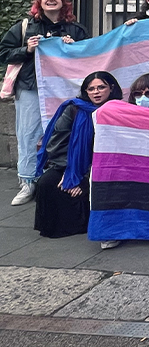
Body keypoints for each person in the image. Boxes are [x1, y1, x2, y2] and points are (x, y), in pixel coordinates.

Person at [0, 0, 89, 206]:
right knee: (28, 134)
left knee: (66, 134)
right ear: (39, 2)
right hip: (32, 87)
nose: (51, 0)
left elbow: (89, 57)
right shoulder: (24, 27)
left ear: (63, 1)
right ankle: (28, 181)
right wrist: (26, 50)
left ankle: (65, 178)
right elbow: (3, 53)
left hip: (65, 90)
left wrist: (75, 47)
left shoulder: (76, 29)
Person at [33, 71, 122, 240]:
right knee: (46, 183)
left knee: (89, 186)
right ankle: (58, 228)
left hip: (103, 167)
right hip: (69, 163)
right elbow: (56, 143)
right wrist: (71, 172)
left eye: (101, 87)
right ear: (85, 92)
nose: (96, 92)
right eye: (91, 89)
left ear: (111, 88)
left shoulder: (118, 111)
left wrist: (83, 176)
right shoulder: (73, 109)